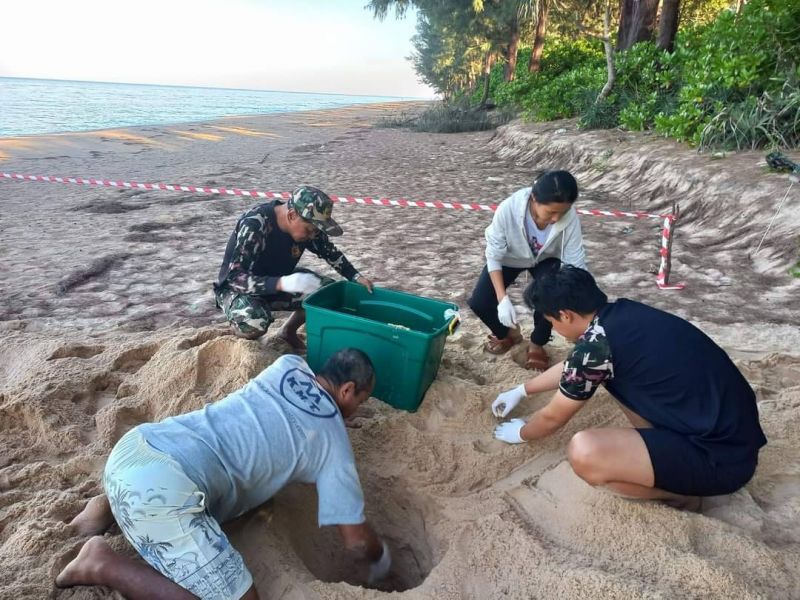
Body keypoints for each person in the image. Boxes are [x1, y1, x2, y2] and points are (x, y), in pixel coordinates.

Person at [55, 348, 391, 600]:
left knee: (206, 477)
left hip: (138, 447)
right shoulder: (333, 440)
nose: (356, 411)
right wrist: (380, 561)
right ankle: (101, 563)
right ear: (347, 391)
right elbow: (356, 539)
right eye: (361, 400)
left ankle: (106, 506)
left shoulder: (287, 366)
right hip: (160, 491)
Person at [492, 262, 767, 510]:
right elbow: (575, 367)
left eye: (550, 322)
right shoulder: (622, 315)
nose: (553, 330)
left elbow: (553, 417)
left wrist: (522, 433)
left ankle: (678, 496)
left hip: (719, 462)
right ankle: (673, 465)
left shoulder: (597, 347)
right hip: (734, 441)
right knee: (613, 379)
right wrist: (523, 390)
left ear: (565, 315)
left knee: (585, 452)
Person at [214, 185, 374, 349]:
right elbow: (234, 278)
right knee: (255, 322)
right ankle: (235, 334)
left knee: (326, 292)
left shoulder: (307, 225)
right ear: (291, 216)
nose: (313, 236)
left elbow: (329, 252)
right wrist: (281, 283)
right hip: (236, 290)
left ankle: (287, 332)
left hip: (278, 281)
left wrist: (355, 276)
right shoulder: (255, 225)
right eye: (310, 230)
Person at [467, 170, 587, 370]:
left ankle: (537, 343)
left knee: (550, 297)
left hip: (546, 259)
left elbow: (575, 262)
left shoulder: (570, 218)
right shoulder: (508, 209)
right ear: (534, 199)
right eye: (551, 212)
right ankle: (509, 333)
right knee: (480, 302)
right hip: (509, 258)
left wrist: (581, 300)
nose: (557, 219)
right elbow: (493, 255)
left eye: (563, 212)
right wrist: (502, 299)